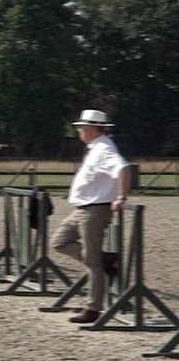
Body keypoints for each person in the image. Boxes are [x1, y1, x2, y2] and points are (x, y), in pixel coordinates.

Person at [50, 109, 129, 324]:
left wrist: (121, 196)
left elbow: (123, 168)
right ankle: (105, 260)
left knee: (92, 262)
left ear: (92, 128)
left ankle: (93, 308)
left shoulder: (104, 148)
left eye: (82, 127)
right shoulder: (96, 148)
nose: (79, 131)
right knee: (59, 241)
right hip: (83, 209)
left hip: (95, 209)